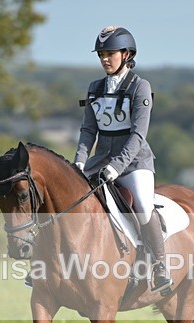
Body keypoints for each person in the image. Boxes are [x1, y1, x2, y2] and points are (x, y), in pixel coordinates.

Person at [73, 26, 171, 293]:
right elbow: (88, 130)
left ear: (126, 55)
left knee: (141, 204)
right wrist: (80, 160)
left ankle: (161, 267)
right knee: (69, 199)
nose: (105, 59)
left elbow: (138, 134)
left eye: (110, 53)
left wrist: (117, 167)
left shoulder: (140, 87)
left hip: (134, 162)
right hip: (100, 160)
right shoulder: (95, 88)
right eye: (101, 54)